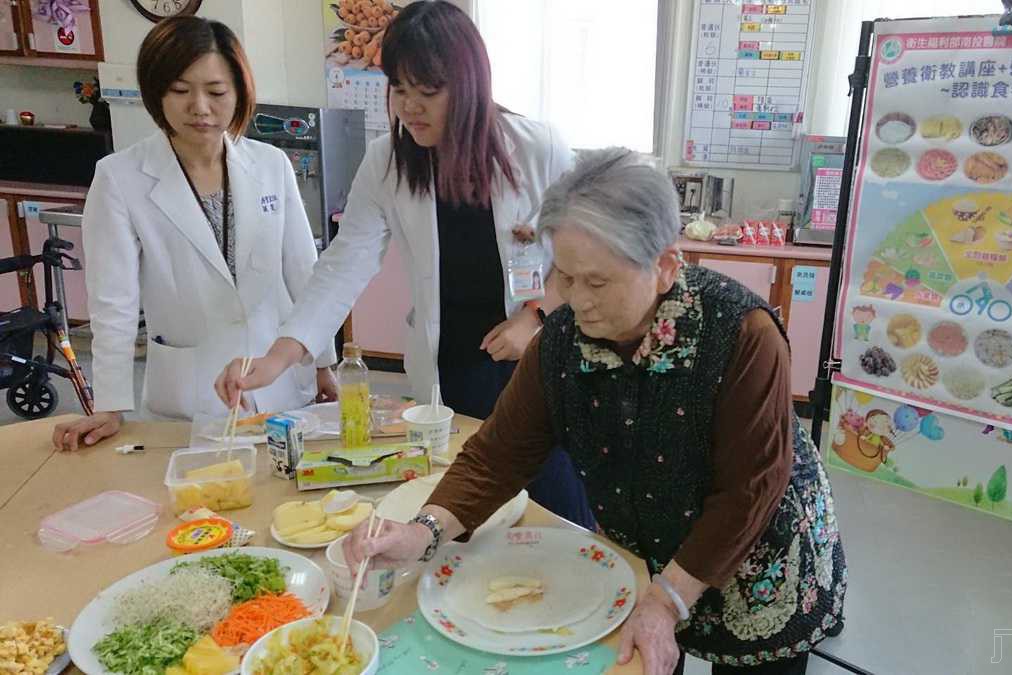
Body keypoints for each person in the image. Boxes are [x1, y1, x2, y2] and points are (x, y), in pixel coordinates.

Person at [342, 148, 848, 674]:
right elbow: (498, 456)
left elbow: (750, 491)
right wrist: (421, 532)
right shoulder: (559, 341)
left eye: (598, 282)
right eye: (564, 276)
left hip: (754, 554)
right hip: (648, 545)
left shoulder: (742, 334)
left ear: (665, 266)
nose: (577, 299)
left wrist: (667, 598)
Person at [213, 0, 593, 527]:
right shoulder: (388, 161)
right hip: (453, 363)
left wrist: (535, 317)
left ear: (469, 85)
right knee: (467, 501)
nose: (410, 108)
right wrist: (278, 357)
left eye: (428, 92)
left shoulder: (537, 149)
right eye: (400, 89)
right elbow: (343, 265)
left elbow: (585, 249)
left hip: (535, 357)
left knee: (557, 505)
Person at [53, 16, 335, 451]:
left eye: (216, 92)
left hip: (278, 384)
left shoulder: (271, 164)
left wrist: (321, 362)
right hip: (189, 394)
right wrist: (109, 404)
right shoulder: (120, 178)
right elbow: (114, 303)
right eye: (180, 91)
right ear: (156, 93)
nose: (200, 107)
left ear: (239, 91)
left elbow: (305, 273)